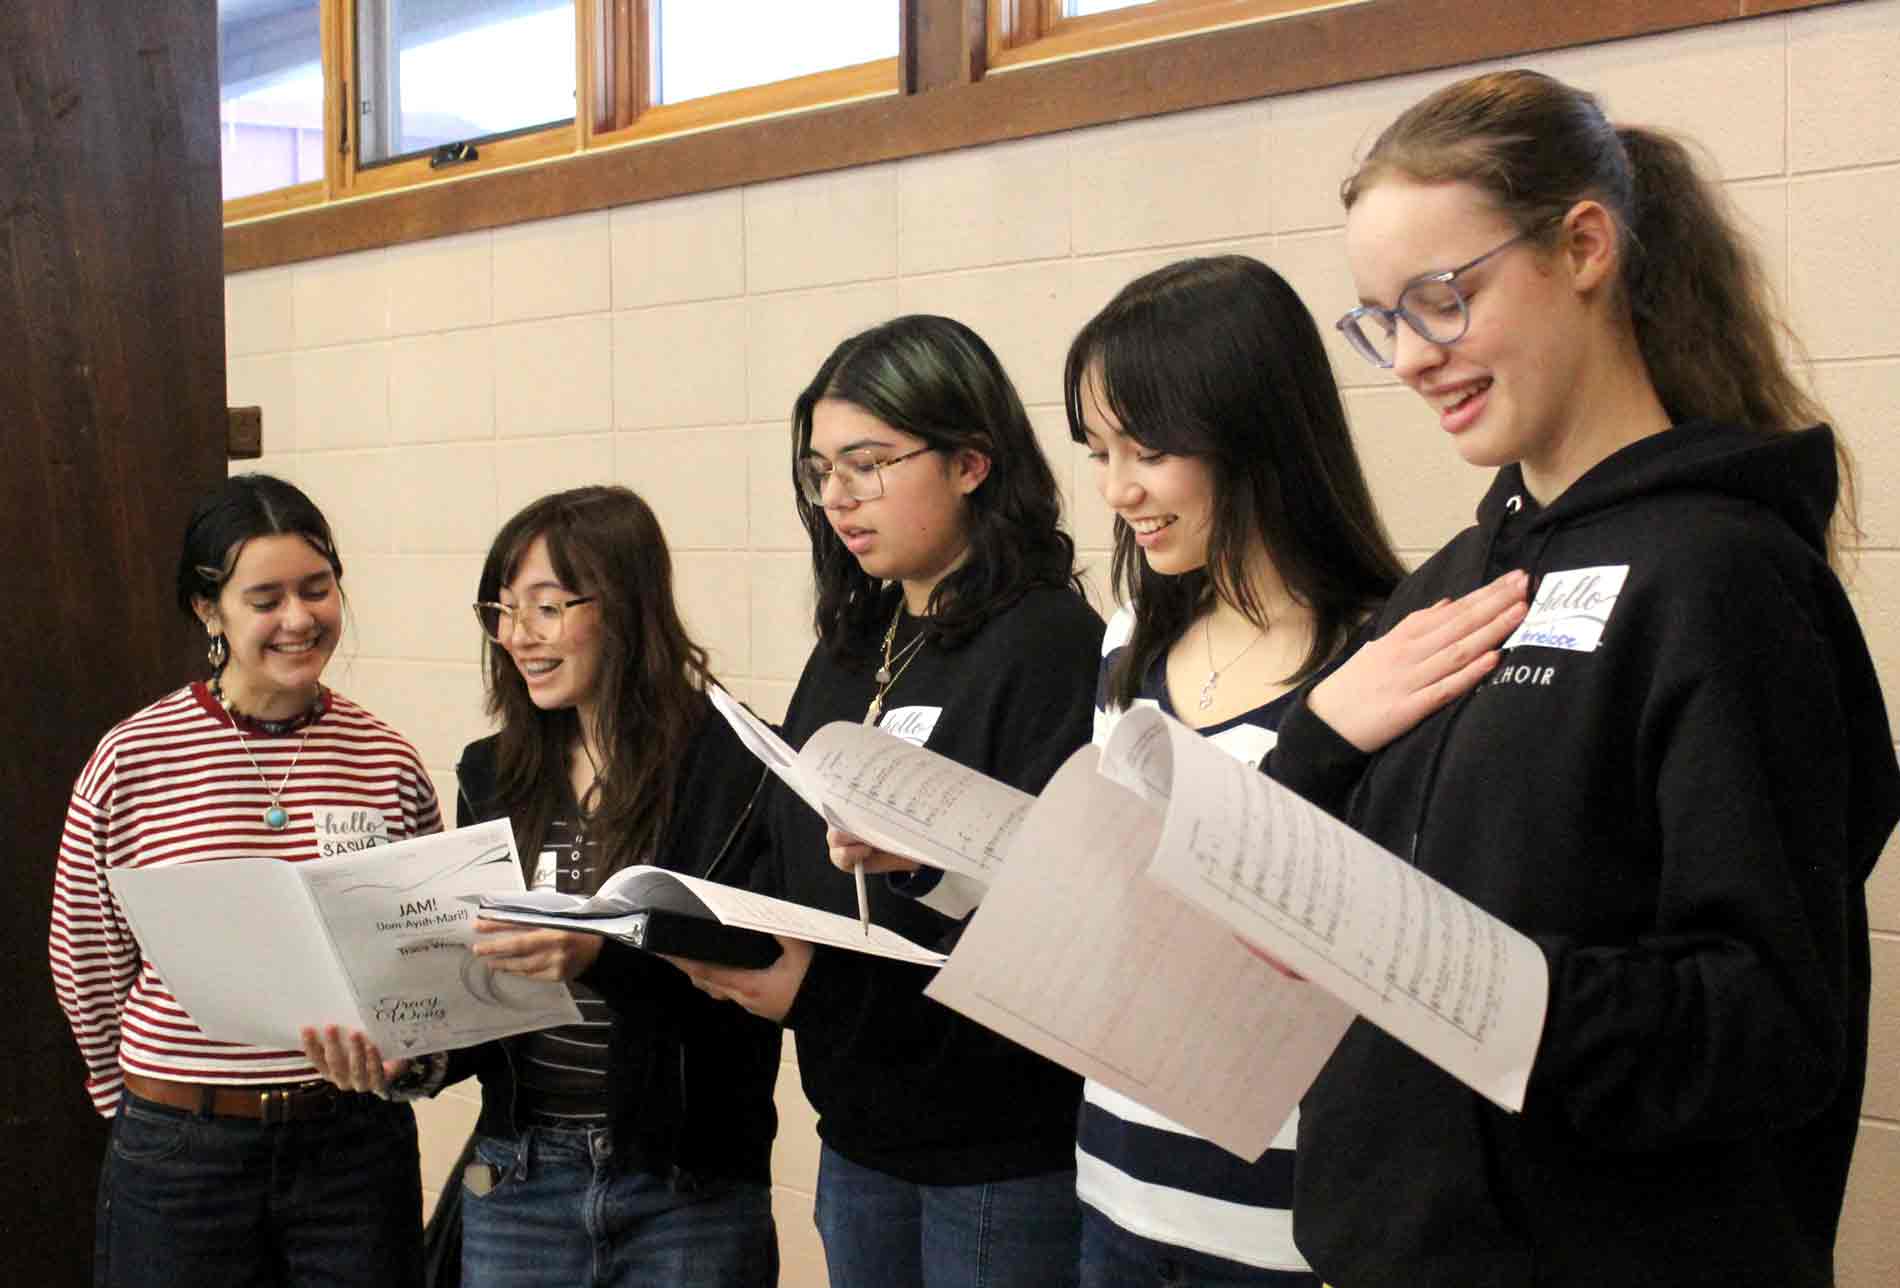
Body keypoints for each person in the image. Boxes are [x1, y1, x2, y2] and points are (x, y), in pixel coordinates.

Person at [1260, 68, 1900, 1286]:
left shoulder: (1722, 578)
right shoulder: (1450, 582)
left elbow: (1770, 1020)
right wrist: (1314, 744)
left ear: (1584, 246)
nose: (1408, 357)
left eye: (1441, 299)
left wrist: (1480, 986)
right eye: (1380, 319)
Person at [674, 315, 1104, 1288]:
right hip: (859, 1128)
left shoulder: (1046, 645)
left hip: (995, 1144)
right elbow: (800, 849)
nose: (836, 496)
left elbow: (1051, 923)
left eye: (867, 464)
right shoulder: (853, 643)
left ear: (970, 461)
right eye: (820, 469)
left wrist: (818, 996)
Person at [305, 486, 782, 1288]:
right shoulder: (492, 771)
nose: (516, 635)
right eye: (501, 608)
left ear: (627, 608)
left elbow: (753, 961)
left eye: (548, 608)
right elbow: (488, 984)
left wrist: (600, 953)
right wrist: (410, 1050)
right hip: (520, 1175)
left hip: (685, 1182)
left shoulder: (733, 764)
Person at [1064, 254, 1409, 1286]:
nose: (1118, 489)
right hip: (1117, 1188)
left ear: (1253, 434)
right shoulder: (1129, 640)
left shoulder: (1381, 653)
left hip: (1284, 1223)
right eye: (1098, 450)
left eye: (1148, 449)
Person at [50, 473, 441, 1288]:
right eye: (265, 598)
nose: (299, 619)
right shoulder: (133, 759)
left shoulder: (387, 759)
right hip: (180, 1152)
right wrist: (121, 1100)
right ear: (209, 610)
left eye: (317, 589)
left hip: (353, 1149)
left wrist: (401, 1054)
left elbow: (425, 953)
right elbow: (87, 954)